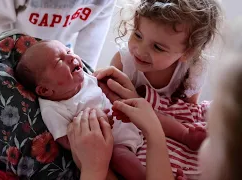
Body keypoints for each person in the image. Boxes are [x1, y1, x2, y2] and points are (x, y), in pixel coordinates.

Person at [93, 0, 221, 178]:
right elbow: (116, 106)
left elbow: (189, 109)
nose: (140, 50)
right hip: (132, 124)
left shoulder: (193, 70)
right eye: (137, 35)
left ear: (187, 53)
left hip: (170, 126)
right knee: (117, 156)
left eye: (158, 47)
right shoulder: (124, 63)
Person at [15, 39, 143, 179]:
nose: (71, 57)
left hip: (130, 123)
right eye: (59, 61)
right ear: (45, 90)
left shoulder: (85, 79)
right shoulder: (53, 109)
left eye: (69, 51)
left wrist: (119, 102)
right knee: (121, 158)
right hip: (116, 145)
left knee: (150, 116)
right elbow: (69, 142)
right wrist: (98, 126)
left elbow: (106, 92)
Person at [0, 0, 116, 69]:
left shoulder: (103, 2)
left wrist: (85, 78)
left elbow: (90, 45)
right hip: (18, 53)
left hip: (61, 57)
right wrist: (4, 63)